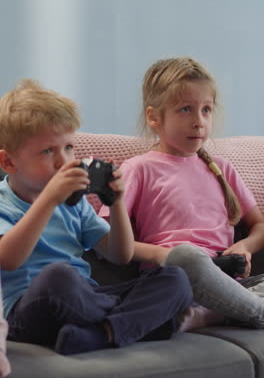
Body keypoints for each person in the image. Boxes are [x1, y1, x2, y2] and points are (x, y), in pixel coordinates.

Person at [0, 79, 193, 357]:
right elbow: (9, 259)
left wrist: (116, 204)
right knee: (58, 276)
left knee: (175, 279)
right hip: (28, 309)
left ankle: (101, 335)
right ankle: (142, 323)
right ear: (8, 163)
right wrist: (49, 200)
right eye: (47, 151)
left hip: (86, 301)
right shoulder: (5, 202)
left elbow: (121, 255)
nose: (63, 161)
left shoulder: (74, 203)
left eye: (68, 148)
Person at [99, 57, 264, 330]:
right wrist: (162, 255)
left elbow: (258, 225)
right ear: (154, 117)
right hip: (174, 277)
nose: (199, 122)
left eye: (206, 110)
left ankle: (213, 314)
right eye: (186, 109)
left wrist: (245, 247)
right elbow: (104, 239)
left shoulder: (221, 168)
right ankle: (247, 312)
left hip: (230, 283)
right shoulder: (138, 168)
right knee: (187, 256)